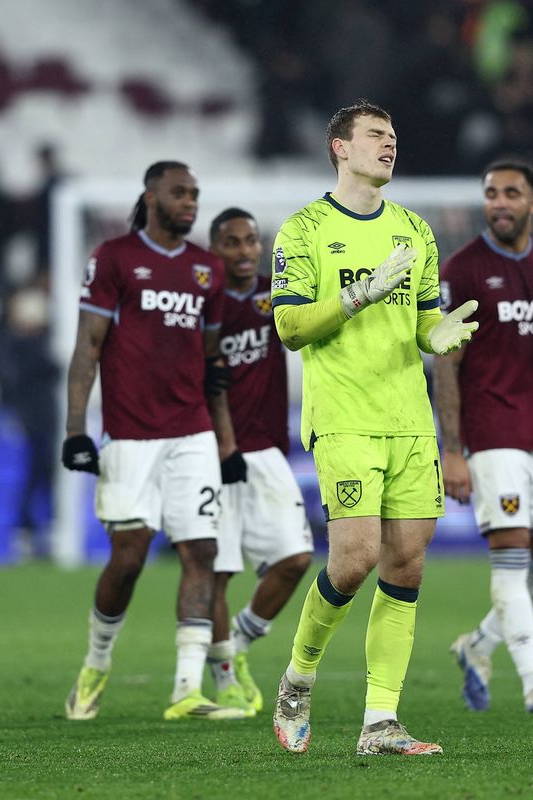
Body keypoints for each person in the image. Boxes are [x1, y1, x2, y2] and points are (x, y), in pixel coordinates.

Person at [268, 100, 478, 756]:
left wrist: (438, 336)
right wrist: (359, 294)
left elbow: (421, 320)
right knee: (354, 558)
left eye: (393, 136)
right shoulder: (303, 230)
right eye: (375, 136)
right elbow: (291, 327)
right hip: (345, 418)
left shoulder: (414, 230)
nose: (389, 145)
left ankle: (380, 723)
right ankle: (298, 678)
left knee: (407, 565)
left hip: (408, 419)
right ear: (340, 147)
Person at [61, 161, 249, 722]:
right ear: (152, 196)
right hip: (130, 436)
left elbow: (213, 363)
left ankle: (186, 691)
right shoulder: (115, 259)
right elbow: (87, 347)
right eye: (179, 192)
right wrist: (75, 429)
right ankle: (96, 665)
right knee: (129, 557)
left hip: (191, 433)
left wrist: (224, 441)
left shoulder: (207, 270)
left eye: (195, 192)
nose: (190, 201)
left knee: (201, 552)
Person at [434, 160, 533, 715]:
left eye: (511, 193)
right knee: (509, 556)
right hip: (493, 437)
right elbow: (446, 366)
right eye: (491, 193)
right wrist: (452, 450)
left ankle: (477, 645)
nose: (499, 202)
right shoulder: (462, 269)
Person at [204, 207, 313, 714]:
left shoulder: (278, 292)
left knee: (295, 560)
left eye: (251, 241)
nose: (245, 251)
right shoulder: (205, 304)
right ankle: (225, 676)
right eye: (232, 242)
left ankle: (240, 644)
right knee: (218, 571)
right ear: (215, 249)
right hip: (211, 452)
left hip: (267, 448)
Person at [0, 280, 60, 558]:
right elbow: (2, 365)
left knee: (46, 468)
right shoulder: (12, 340)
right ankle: (25, 529)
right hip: (26, 411)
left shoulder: (43, 337)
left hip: (45, 412)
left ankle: (43, 527)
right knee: (31, 470)